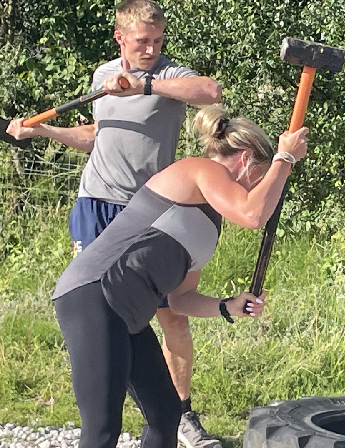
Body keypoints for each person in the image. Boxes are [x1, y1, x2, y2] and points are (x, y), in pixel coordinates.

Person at [7, 1, 224, 446]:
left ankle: (177, 413)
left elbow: (210, 91)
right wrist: (44, 132)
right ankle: (107, 409)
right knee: (99, 309)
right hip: (95, 205)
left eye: (158, 41)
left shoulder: (168, 75)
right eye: (142, 41)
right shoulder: (102, 76)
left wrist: (146, 83)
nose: (150, 49)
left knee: (172, 316)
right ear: (120, 37)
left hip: (144, 213)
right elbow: (98, 135)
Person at [51, 104, 309, 448]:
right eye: (260, 179)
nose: (259, 188)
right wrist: (284, 159)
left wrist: (227, 306)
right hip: (94, 293)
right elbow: (253, 213)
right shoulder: (200, 170)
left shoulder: (209, 222)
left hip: (126, 313)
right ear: (246, 160)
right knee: (102, 428)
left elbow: (180, 298)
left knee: (166, 414)